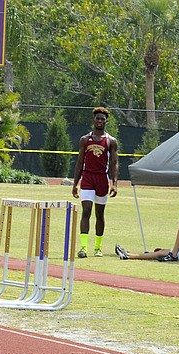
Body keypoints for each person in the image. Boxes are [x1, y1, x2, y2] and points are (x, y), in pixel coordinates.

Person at [72, 106, 119, 258]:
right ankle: (83, 248)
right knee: (86, 211)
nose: (99, 121)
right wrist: (75, 183)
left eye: (102, 119)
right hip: (87, 178)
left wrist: (114, 183)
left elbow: (114, 163)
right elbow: (79, 162)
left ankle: (98, 248)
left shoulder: (111, 141)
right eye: (97, 118)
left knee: (100, 213)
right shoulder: (85, 140)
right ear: (93, 120)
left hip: (102, 179)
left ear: (106, 121)